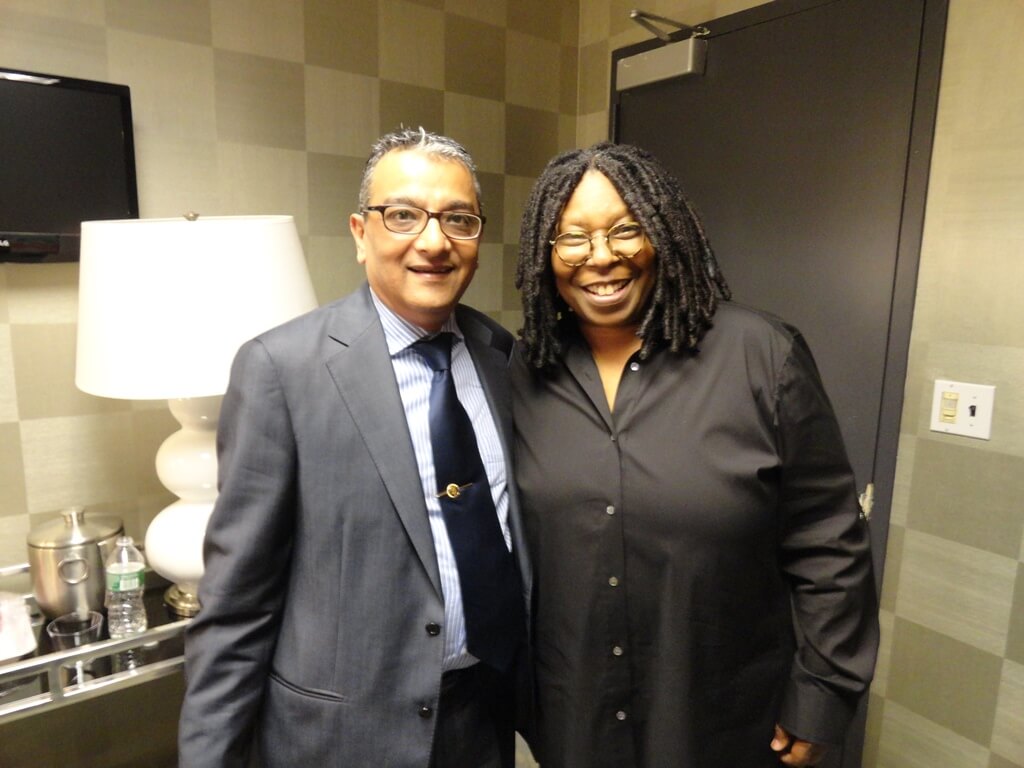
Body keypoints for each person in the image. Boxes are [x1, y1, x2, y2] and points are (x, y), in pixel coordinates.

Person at [512, 142, 879, 767]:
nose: (600, 257)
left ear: (664, 232)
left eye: (626, 230)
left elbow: (829, 543)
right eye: (572, 238)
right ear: (546, 257)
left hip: (724, 723)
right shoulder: (524, 369)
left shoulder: (762, 355)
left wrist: (822, 696)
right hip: (576, 720)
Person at [179, 128, 531, 768]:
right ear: (360, 233)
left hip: (480, 721)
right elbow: (236, 607)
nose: (433, 241)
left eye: (458, 219)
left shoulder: (501, 357)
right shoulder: (280, 370)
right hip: (339, 738)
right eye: (403, 215)